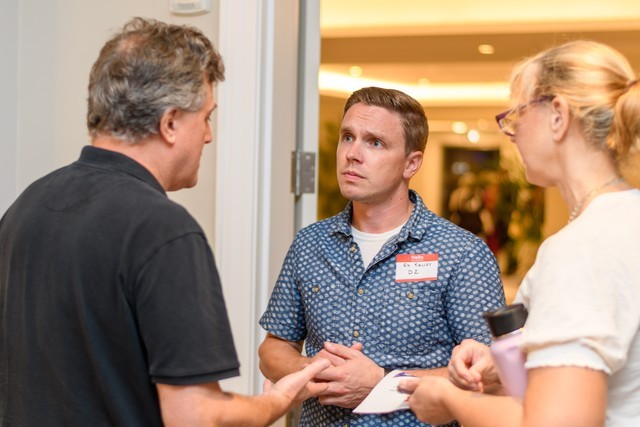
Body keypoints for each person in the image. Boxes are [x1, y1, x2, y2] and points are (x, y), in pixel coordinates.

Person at [0, 17, 330, 426]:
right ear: (170, 123)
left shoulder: (26, 207)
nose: (208, 136)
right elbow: (197, 417)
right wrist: (279, 400)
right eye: (206, 117)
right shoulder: (164, 230)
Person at [399, 40, 640, 427]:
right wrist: (510, 361)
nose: (510, 132)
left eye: (518, 112)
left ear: (558, 115)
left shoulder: (580, 248)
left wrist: (449, 399)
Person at [258, 86, 506, 426]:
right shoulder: (310, 244)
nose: (352, 154)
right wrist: (310, 368)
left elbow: (493, 375)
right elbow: (272, 348)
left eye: (375, 142)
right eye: (348, 137)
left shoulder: (461, 253)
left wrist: (382, 381)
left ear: (411, 163)